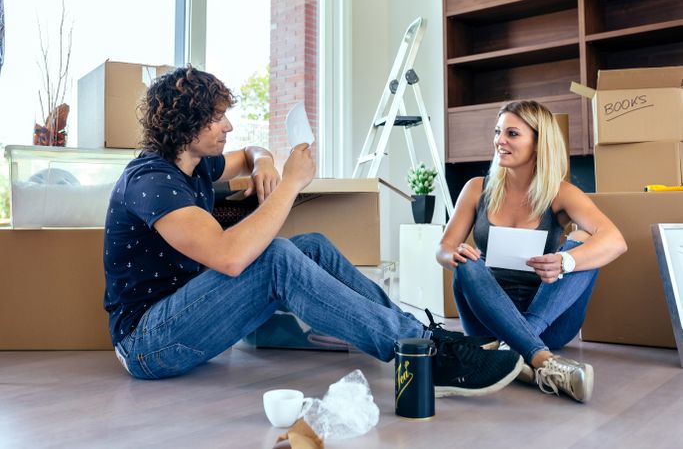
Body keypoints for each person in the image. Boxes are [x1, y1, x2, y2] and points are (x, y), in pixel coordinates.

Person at [103, 65, 524, 397]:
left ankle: (419, 336)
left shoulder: (193, 164)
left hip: (185, 318)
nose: (228, 126)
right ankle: (422, 357)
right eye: (216, 118)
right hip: (148, 343)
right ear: (185, 124)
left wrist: (264, 159)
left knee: (312, 247)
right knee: (276, 256)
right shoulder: (151, 181)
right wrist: (289, 182)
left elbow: (249, 153)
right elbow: (230, 257)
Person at [437, 100, 627, 402]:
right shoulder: (476, 188)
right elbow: (444, 248)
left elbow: (615, 240)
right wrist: (454, 255)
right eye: (498, 131)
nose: (500, 140)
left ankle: (515, 346)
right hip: (488, 320)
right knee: (468, 264)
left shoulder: (561, 193)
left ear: (539, 143)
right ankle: (539, 359)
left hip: (547, 320)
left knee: (584, 241)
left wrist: (566, 261)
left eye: (512, 133)